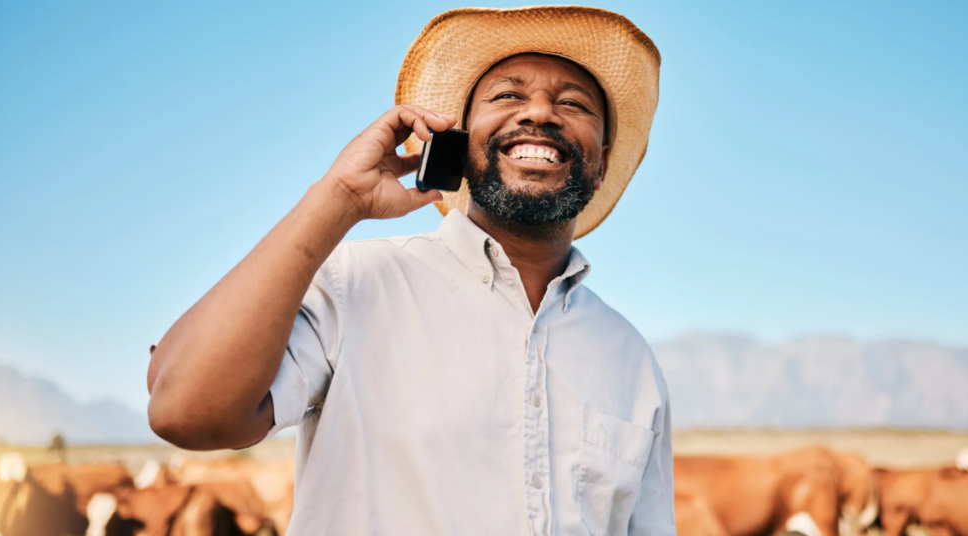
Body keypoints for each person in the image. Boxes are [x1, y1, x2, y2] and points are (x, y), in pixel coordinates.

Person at [147, 6, 673, 535]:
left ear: (601, 165)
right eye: (508, 95)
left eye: (573, 103)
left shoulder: (631, 359)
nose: (539, 112)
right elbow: (185, 410)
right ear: (459, 143)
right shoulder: (355, 285)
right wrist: (339, 198)